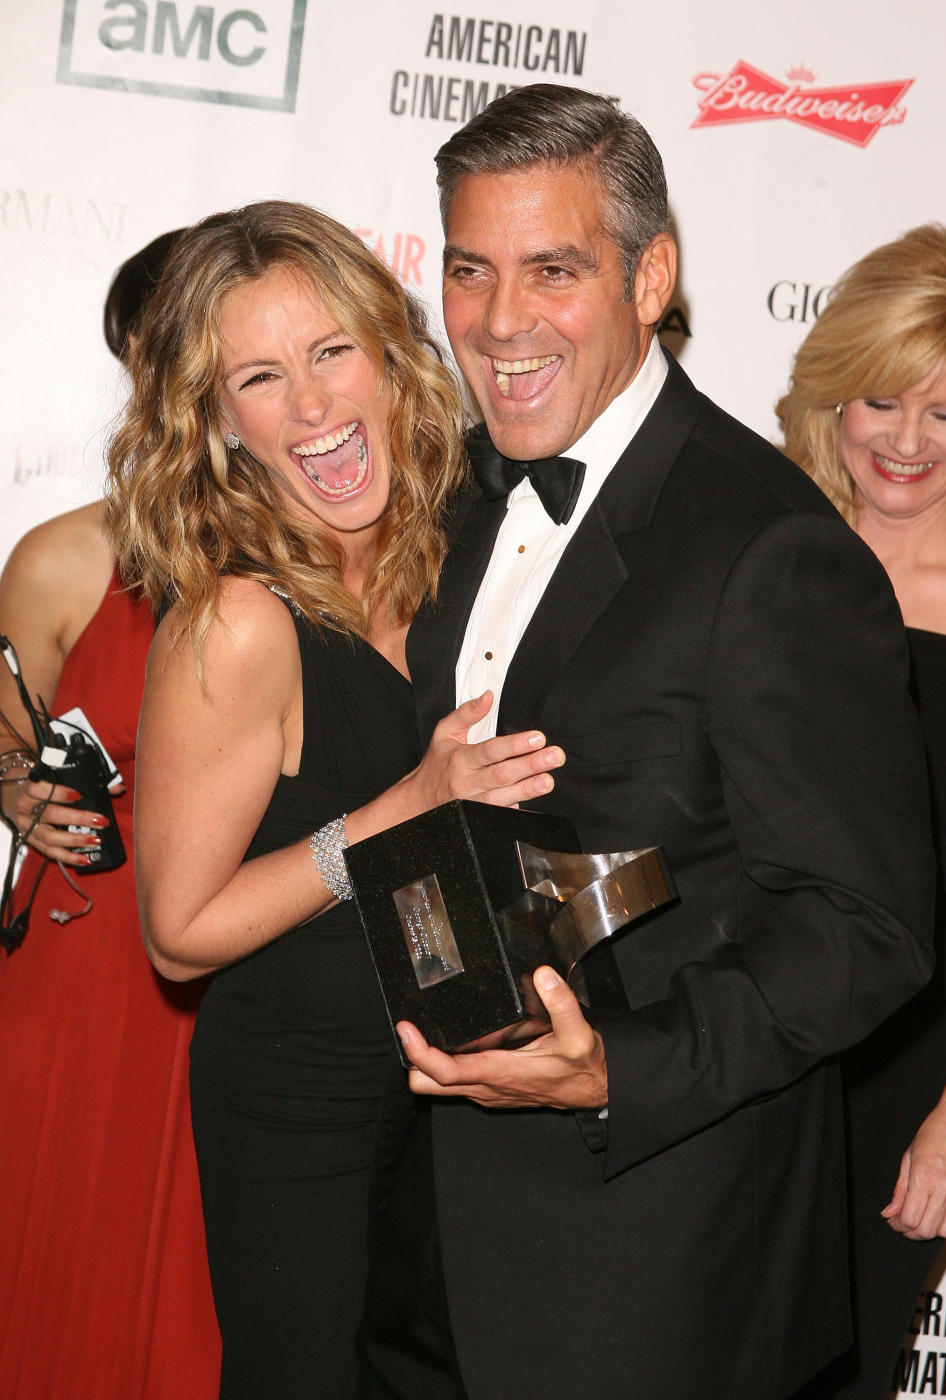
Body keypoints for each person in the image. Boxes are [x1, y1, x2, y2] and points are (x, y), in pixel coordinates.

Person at [361, 84, 937, 1400]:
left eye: (552, 270)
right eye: (469, 269)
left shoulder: (769, 545)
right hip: (419, 1247)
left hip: (651, 1268)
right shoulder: (442, 493)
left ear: (650, 273)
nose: (500, 322)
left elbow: (866, 928)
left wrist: (616, 1068)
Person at [103, 199, 562, 1399]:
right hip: (300, 1101)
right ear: (217, 421)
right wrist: (405, 801)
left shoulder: (447, 547)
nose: (310, 407)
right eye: (260, 375)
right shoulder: (240, 618)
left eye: (329, 351)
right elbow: (178, 929)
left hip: (451, 1082)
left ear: (388, 352)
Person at [0, 230, 222, 1398]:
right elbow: (1, 736)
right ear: (138, 366)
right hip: (86, 965)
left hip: (239, 960)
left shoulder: (325, 554)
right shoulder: (59, 558)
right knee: (63, 1254)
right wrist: (13, 789)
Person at [777, 224, 946, 1400]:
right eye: (879, 398)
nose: (903, 442)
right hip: (737, 1039)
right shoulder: (764, 557)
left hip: (911, 1064)